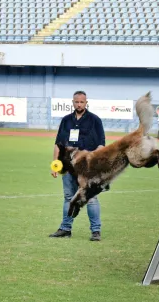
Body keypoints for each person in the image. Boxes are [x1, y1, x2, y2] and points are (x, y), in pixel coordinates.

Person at [49, 90, 106, 241]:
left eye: (82, 102)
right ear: (73, 102)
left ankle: (95, 231)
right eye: (77, 102)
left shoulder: (95, 120)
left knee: (91, 198)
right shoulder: (66, 120)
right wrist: (55, 164)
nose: (79, 104)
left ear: (86, 102)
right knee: (68, 197)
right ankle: (65, 229)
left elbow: (101, 145)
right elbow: (58, 144)